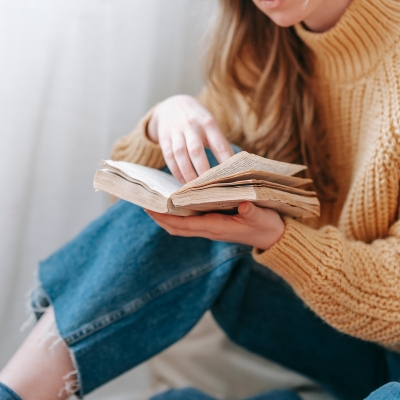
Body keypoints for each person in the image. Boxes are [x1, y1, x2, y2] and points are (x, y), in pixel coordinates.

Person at [1, 0, 400, 399]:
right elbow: (129, 208)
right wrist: (164, 121)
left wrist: (280, 240)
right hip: (338, 344)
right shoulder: (262, 45)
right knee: (198, 180)